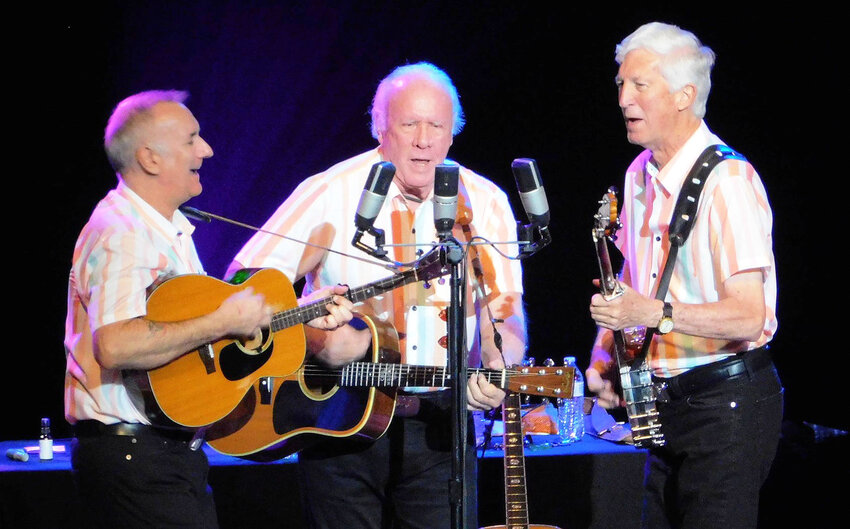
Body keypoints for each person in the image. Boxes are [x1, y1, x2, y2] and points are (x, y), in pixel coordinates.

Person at [228, 62, 527, 528]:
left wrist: (498, 367)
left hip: (439, 423)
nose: (424, 140)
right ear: (381, 128)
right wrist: (315, 338)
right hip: (338, 414)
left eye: (437, 126)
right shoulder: (332, 192)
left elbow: (503, 314)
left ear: (453, 134)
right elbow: (245, 285)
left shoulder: (485, 203)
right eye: (409, 124)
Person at [64, 90, 355, 528]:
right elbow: (117, 344)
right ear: (150, 158)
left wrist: (298, 313)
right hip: (136, 459)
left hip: (166, 457)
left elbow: (203, 337)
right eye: (191, 139)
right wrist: (224, 319)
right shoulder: (121, 233)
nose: (207, 150)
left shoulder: (167, 229)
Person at [586, 22, 783, 529]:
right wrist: (606, 351)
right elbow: (633, 284)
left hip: (727, 404)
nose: (624, 97)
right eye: (621, 84)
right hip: (661, 401)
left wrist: (648, 313)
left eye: (639, 85)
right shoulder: (637, 175)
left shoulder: (728, 181)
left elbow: (748, 315)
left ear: (683, 96)